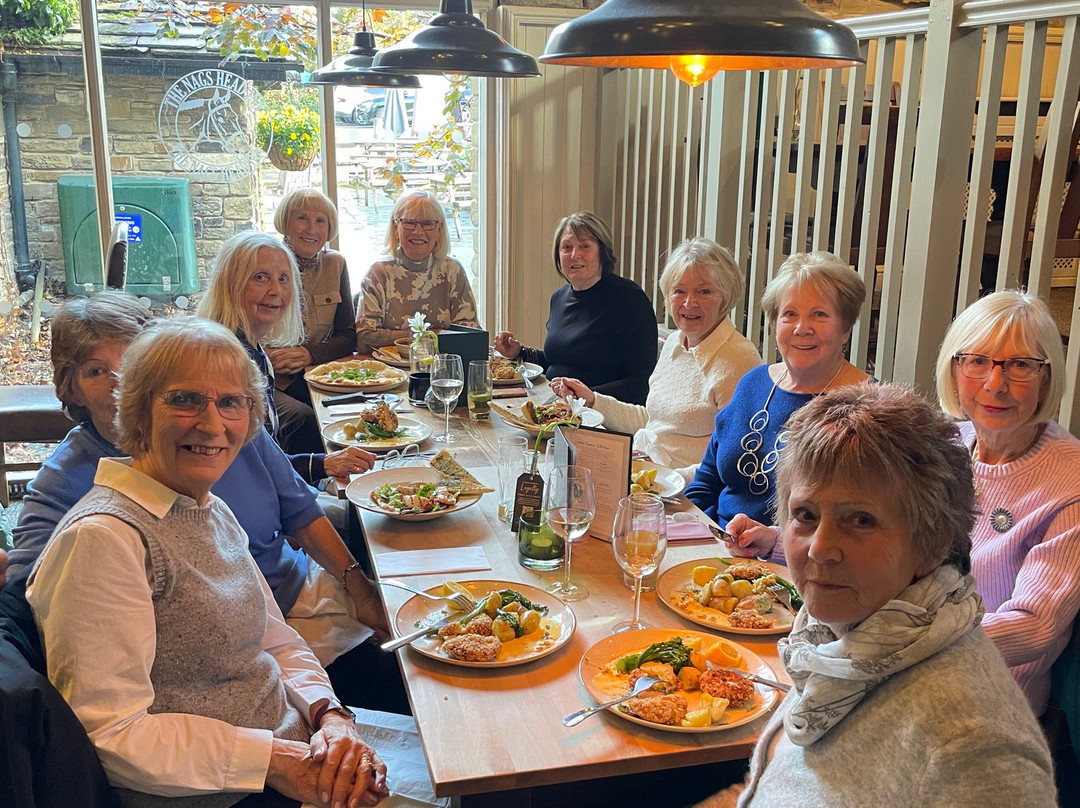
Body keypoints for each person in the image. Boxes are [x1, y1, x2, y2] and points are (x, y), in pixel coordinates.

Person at [26, 319, 390, 808]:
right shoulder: (102, 541)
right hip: (223, 793)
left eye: (231, 402)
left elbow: (274, 638)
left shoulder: (206, 507)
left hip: (294, 752)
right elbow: (111, 734)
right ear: (136, 412)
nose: (212, 424)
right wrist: (277, 761)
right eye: (184, 399)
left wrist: (331, 717)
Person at [694, 383, 1055, 808]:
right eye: (806, 514)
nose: (820, 548)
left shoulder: (975, 745)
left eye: (861, 520)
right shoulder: (841, 634)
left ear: (933, 543)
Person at [934, 289, 1080, 716]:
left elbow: (1035, 624)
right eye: (977, 361)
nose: (995, 384)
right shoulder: (946, 444)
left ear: (1046, 379)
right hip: (902, 666)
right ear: (954, 370)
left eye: (1020, 365)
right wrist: (776, 542)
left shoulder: (1071, 480)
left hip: (990, 705)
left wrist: (917, 643)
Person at [684, 251, 869, 526]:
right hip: (715, 542)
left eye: (819, 314)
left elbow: (856, 527)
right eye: (789, 314)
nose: (802, 328)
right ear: (773, 324)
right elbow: (706, 482)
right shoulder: (754, 383)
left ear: (846, 328)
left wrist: (771, 544)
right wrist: (689, 532)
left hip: (795, 553)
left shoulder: (867, 408)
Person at [556, 238, 761, 480]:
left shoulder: (739, 360)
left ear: (726, 296)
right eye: (679, 291)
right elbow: (653, 419)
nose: (689, 303)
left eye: (704, 291)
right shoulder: (675, 342)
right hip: (644, 469)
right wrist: (593, 400)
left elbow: (733, 459)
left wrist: (662, 479)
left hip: (682, 489)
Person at [197, 231, 375, 488]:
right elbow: (244, 471)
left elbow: (264, 457)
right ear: (230, 283)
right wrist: (321, 466)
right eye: (260, 277)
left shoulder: (252, 348)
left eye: (283, 279)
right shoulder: (226, 360)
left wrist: (322, 464)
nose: (275, 290)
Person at [495, 211, 659, 406]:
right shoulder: (559, 297)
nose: (574, 255)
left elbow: (642, 382)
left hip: (604, 413)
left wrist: (583, 396)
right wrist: (519, 352)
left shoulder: (629, 299)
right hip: (557, 404)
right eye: (567, 247)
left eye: (585, 246)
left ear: (602, 252)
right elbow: (559, 360)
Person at [268, 189, 358, 455]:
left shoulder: (336, 264)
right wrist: (266, 357)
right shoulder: (264, 261)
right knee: (304, 417)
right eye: (302, 218)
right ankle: (312, 477)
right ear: (285, 222)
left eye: (321, 221)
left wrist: (309, 354)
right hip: (267, 378)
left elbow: (348, 336)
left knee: (357, 411)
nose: (311, 229)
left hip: (313, 375)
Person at [355, 190, 479, 353]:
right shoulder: (379, 273)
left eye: (427, 223)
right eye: (409, 222)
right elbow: (365, 338)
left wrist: (399, 337)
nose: (418, 231)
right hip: (387, 367)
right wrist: (428, 335)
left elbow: (470, 336)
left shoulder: (452, 271)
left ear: (439, 229)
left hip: (440, 366)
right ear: (395, 227)